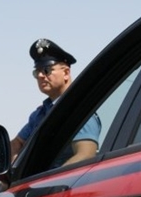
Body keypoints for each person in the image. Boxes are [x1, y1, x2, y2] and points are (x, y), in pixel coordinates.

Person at [10, 38, 100, 167]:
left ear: (66, 73)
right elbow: (17, 143)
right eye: (37, 72)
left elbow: (86, 155)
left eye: (46, 70)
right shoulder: (40, 114)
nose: (40, 75)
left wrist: (52, 182)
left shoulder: (79, 109)